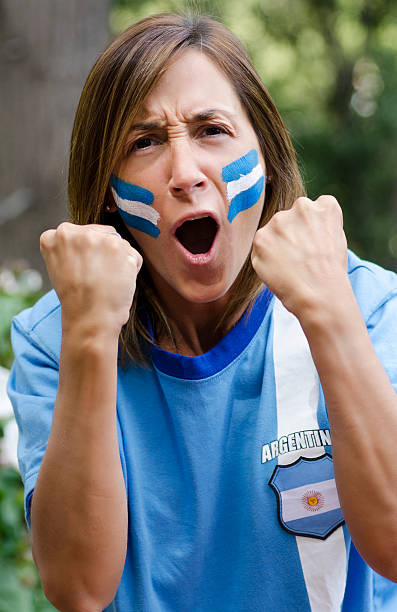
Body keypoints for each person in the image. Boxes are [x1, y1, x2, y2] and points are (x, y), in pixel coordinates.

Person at [7, 11, 397, 612]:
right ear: (108, 189)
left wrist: (332, 318)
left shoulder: (368, 304)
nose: (185, 175)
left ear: (264, 155)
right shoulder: (53, 337)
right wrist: (89, 336)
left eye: (211, 130)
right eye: (144, 142)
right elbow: (78, 590)